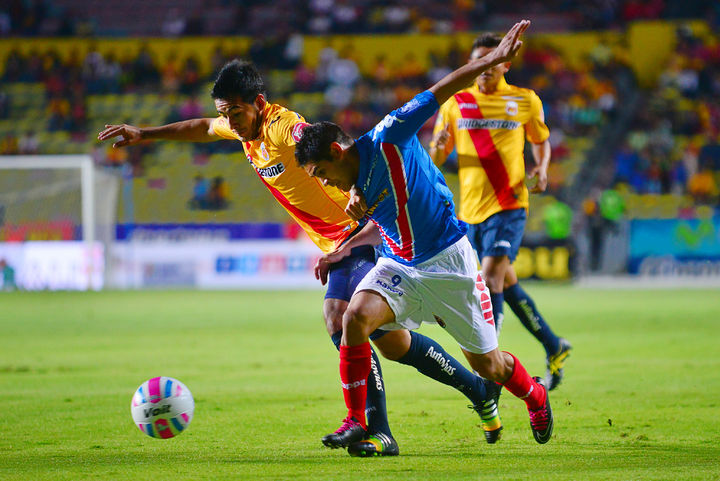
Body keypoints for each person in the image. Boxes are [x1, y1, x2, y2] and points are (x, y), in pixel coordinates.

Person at [98, 60, 503, 457]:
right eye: (226, 114)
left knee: (339, 315)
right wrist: (144, 134)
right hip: (336, 241)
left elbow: (319, 140)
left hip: (361, 231)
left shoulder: (281, 126)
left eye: (236, 112)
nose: (231, 122)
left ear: (258, 102)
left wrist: (357, 189)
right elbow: (204, 127)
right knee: (392, 344)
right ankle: (479, 389)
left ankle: (376, 430)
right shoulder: (242, 131)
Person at [296, 20, 554, 446]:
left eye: (322, 172)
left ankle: (533, 393)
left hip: (449, 262)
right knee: (353, 318)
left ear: (338, 152)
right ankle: (356, 419)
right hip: (399, 264)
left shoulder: (391, 134)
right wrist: (345, 247)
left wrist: (492, 59)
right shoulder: (352, 187)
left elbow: (443, 89)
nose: (324, 182)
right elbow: (386, 220)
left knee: (489, 366)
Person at [429, 33, 571, 390]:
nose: (485, 68)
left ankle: (489, 372)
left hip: (509, 204)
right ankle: (554, 345)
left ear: (505, 64)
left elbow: (541, 142)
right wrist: (439, 147)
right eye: (479, 61)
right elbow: (436, 158)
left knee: (490, 279)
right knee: (507, 283)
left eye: (492, 61)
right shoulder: (456, 102)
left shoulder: (524, 100)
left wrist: (541, 168)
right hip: (470, 211)